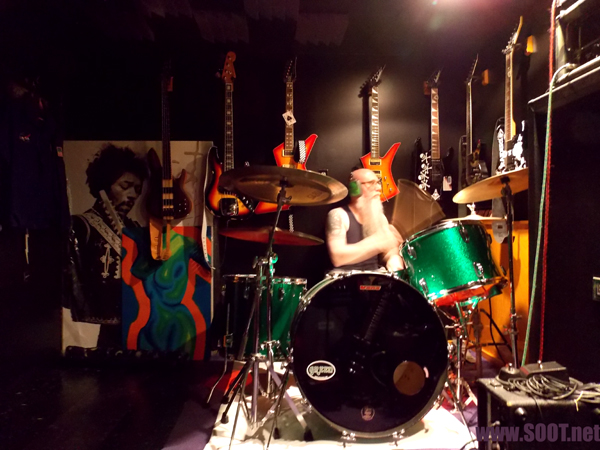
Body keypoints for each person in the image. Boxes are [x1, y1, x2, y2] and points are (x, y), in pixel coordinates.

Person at [68, 143, 147, 348]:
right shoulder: (81, 225)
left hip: (133, 327)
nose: (132, 195)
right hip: (93, 331)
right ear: (104, 185)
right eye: (124, 186)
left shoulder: (135, 229)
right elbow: (72, 285)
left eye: (137, 189)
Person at [325, 168, 404, 273]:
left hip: (374, 277)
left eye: (378, 183)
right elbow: (337, 258)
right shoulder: (338, 215)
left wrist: (393, 258)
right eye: (371, 183)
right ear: (355, 188)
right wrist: (377, 243)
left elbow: (388, 251)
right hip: (345, 278)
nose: (378, 188)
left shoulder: (380, 218)